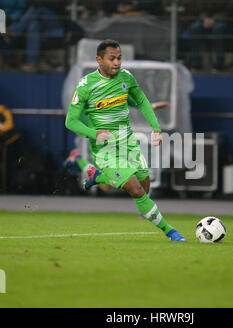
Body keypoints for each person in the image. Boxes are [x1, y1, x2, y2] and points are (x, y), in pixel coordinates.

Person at [65, 39, 186, 242]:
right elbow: (71, 121)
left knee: (144, 184)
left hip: (128, 142)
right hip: (105, 149)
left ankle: (98, 176)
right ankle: (171, 232)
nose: (117, 63)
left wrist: (156, 128)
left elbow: (140, 100)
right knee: (136, 189)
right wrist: (95, 134)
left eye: (119, 58)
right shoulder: (86, 86)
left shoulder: (126, 78)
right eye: (112, 58)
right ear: (99, 60)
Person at [64, 99, 170, 194]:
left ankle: (146, 207)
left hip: (116, 137)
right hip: (100, 140)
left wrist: (152, 106)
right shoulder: (87, 93)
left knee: (117, 180)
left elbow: (134, 101)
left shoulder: (118, 89)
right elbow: (73, 119)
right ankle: (79, 158)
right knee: (106, 186)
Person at [179, 0, 233, 70]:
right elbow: (201, 9)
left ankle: (219, 63)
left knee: (218, 29)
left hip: (225, 22)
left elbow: (230, 11)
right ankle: (197, 62)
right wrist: (204, 19)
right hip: (206, 21)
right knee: (194, 28)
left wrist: (214, 19)